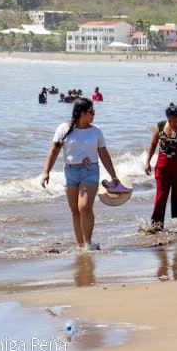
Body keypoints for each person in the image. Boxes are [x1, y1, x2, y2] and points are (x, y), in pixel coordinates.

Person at [40, 97, 124, 250]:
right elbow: (54, 150)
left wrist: (113, 175)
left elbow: (104, 153)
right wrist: (46, 172)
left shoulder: (96, 131)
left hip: (90, 171)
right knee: (75, 210)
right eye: (91, 112)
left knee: (84, 207)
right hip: (70, 171)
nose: (94, 115)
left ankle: (88, 243)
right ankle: (80, 245)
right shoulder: (63, 129)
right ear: (82, 113)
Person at [144, 103, 177, 232]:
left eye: (175, 120)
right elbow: (152, 144)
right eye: (170, 120)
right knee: (161, 194)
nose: (173, 123)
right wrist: (147, 162)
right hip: (162, 164)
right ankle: (156, 224)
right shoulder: (160, 126)